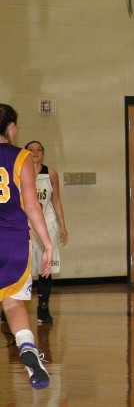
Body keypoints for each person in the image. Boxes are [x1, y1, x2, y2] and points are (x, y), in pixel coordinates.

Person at [0, 103, 52, 390]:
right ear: (11, 128)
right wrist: (48, 244)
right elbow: (32, 205)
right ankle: (28, 349)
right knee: (13, 302)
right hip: (14, 241)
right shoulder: (21, 156)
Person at [24, 140, 68, 324]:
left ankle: (43, 308)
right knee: (22, 268)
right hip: (25, 225)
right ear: (26, 153)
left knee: (45, 268)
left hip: (46, 224)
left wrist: (62, 225)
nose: (35, 152)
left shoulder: (50, 174)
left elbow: (56, 200)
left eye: (38, 150)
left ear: (43, 153)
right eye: (31, 150)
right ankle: (12, 306)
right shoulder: (19, 172)